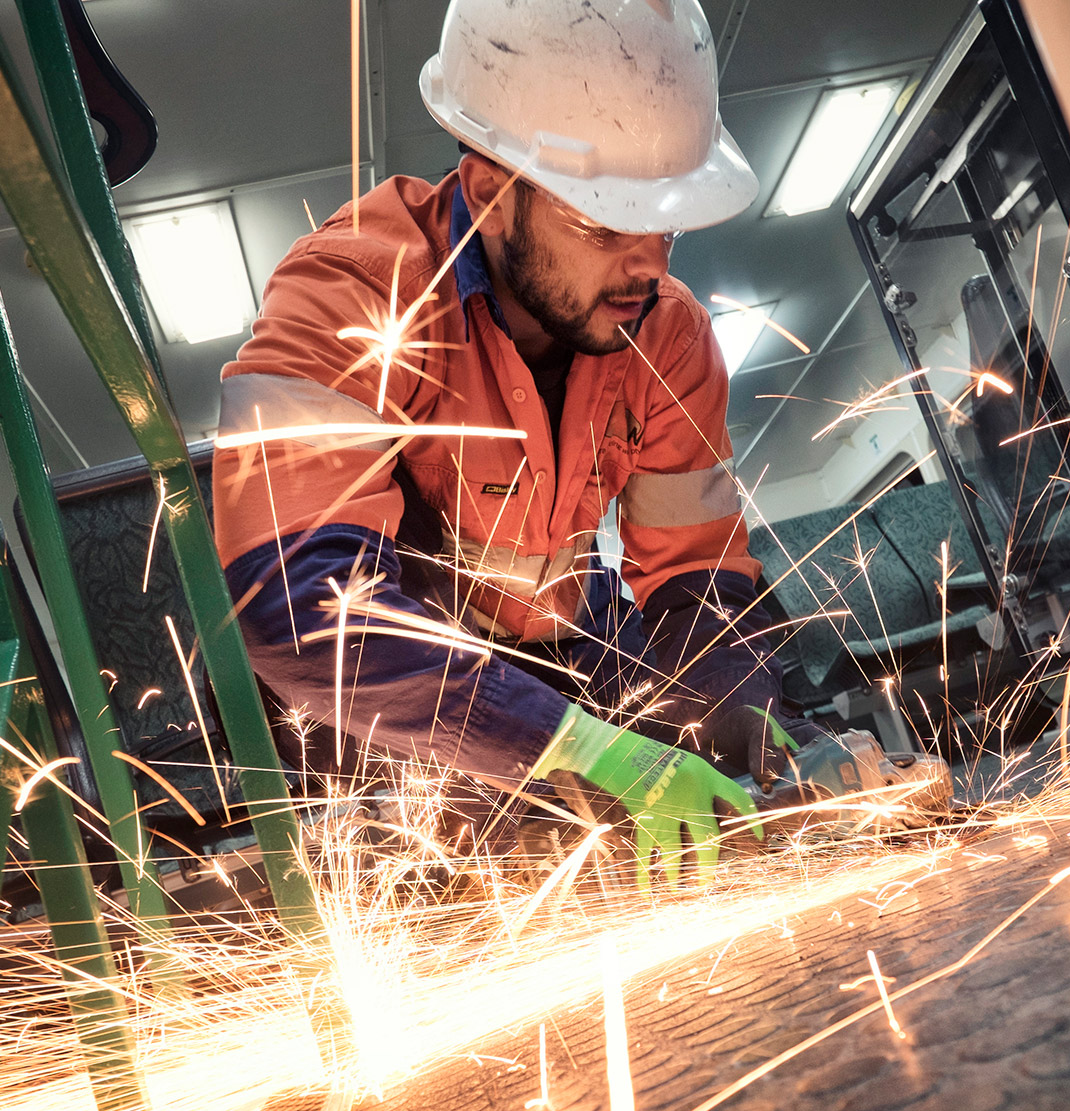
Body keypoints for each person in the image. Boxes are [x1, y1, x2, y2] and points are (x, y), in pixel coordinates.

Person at [213, 0, 819, 885]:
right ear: (492, 192)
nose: (648, 264)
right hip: (404, 702)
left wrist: (762, 731)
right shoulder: (352, 290)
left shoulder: (671, 334)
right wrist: (578, 751)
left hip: (581, 651)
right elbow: (297, 602)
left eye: (663, 225)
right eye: (604, 226)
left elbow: (700, 584)